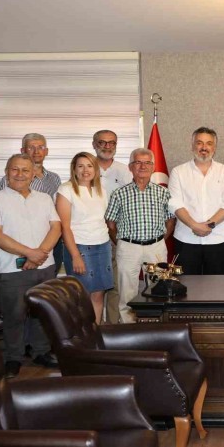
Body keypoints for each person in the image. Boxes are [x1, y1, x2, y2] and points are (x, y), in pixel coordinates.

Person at [0, 154, 60, 378]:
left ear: (33, 174)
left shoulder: (44, 199)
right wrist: (30, 253)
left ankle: (41, 352)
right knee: (14, 315)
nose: (20, 174)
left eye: (25, 170)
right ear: (6, 172)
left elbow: (56, 227)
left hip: (45, 266)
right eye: (14, 169)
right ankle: (13, 358)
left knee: (42, 313)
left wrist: (39, 254)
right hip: (11, 269)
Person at [105, 148, 175, 323]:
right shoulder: (119, 193)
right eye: (138, 162)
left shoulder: (163, 192)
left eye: (147, 163)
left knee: (158, 289)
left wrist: (159, 241)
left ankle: (154, 326)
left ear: (153, 167)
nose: (143, 166)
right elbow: (111, 224)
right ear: (130, 167)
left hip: (156, 247)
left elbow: (170, 221)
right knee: (127, 292)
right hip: (128, 247)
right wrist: (122, 243)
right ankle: (129, 328)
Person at [168, 127, 224, 275]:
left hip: (217, 240)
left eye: (209, 143)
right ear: (192, 145)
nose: (204, 147)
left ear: (214, 147)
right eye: (199, 143)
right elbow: (175, 203)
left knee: (218, 285)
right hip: (186, 239)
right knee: (186, 285)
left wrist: (209, 225)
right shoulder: (178, 172)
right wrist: (194, 225)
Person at [56, 152, 112, 323]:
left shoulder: (101, 190)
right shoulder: (66, 190)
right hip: (80, 247)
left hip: (102, 245)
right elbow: (64, 227)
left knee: (99, 293)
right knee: (82, 295)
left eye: (89, 166)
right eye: (80, 166)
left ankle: (95, 331)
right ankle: (82, 334)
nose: (85, 170)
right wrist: (75, 256)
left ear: (95, 169)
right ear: (74, 169)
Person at [0, 133, 63, 274]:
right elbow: (8, 211)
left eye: (41, 147)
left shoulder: (54, 178)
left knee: (49, 279)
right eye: (31, 147)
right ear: (22, 151)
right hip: (23, 243)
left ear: (46, 151)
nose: (36, 151)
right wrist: (31, 254)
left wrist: (44, 248)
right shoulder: (11, 179)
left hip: (50, 241)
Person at [92, 129, 132, 323]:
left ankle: (113, 327)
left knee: (116, 284)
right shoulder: (86, 167)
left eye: (112, 143)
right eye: (102, 142)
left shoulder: (125, 171)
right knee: (93, 287)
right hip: (91, 236)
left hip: (117, 234)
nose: (107, 146)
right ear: (94, 145)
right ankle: (94, 328)